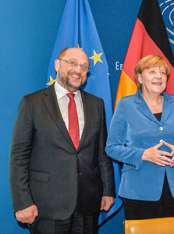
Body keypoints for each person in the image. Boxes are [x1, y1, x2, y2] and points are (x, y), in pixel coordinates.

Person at [9, 48, 115, 234]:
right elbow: (19, 157)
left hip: (88, 205)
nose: (78, 70)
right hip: (47, 207)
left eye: (84, 66)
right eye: (72, 63)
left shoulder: (96, 104)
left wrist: (108, 190)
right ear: (58, 65)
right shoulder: (32, 103)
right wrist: (23, 202)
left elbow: (102, 153)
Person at [106, 55, 174, 219]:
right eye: (152, 72)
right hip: (139, 191)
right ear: (140, 78)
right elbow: (111, 148)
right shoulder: (126, 105)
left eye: (162, 73)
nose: (159, 76)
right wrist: (143, 154)